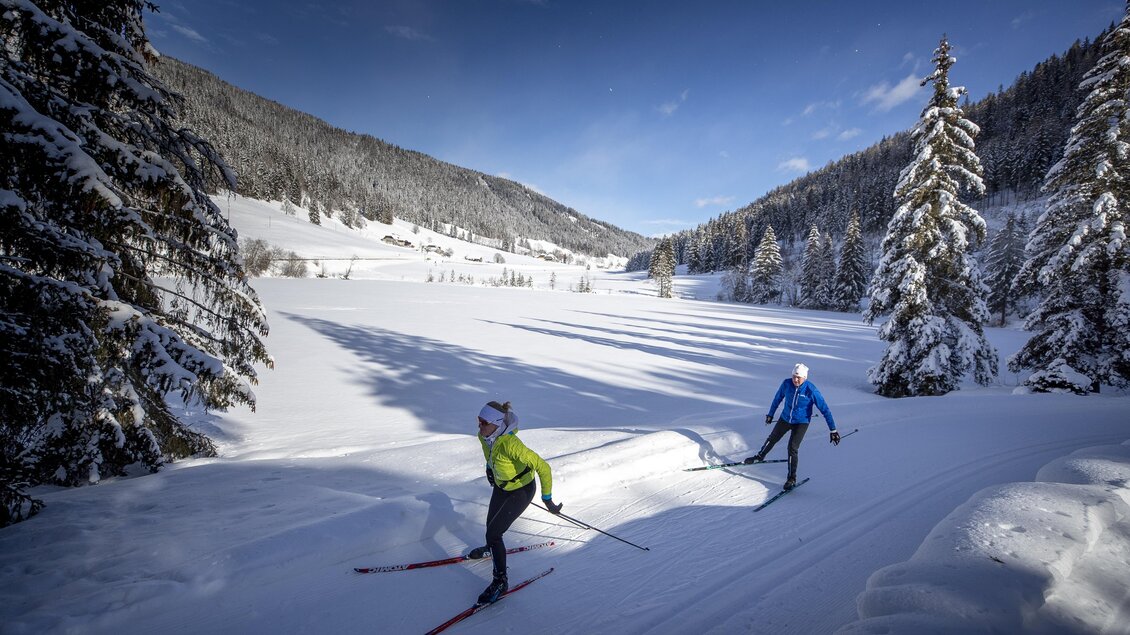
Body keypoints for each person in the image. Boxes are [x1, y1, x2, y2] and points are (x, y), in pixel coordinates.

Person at [468, 400, 561, 605]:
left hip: (521, 491)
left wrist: (547, 499)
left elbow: (543, 467)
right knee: (491, 526)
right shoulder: (484, 436)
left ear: (497, 424)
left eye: (484, 422)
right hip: (502, 486)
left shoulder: (511, 444)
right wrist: (489, 470)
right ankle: (491, 549)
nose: (479, 426)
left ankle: (500, 582)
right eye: (479, 421)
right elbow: (489, 455)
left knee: (494, 533)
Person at [744, 363, 840, 490]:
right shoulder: (786, 384)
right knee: (772, 438)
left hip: (801, 422)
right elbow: (777, 399)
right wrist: (770, 414)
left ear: (804, 377)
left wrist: (833, 430)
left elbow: (825, 410)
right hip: (785, 418)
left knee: (792, 448)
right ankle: (759, 456)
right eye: (794, 376)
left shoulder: (811, 390)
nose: (795, 379)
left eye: (798, 377)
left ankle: (791, 478)